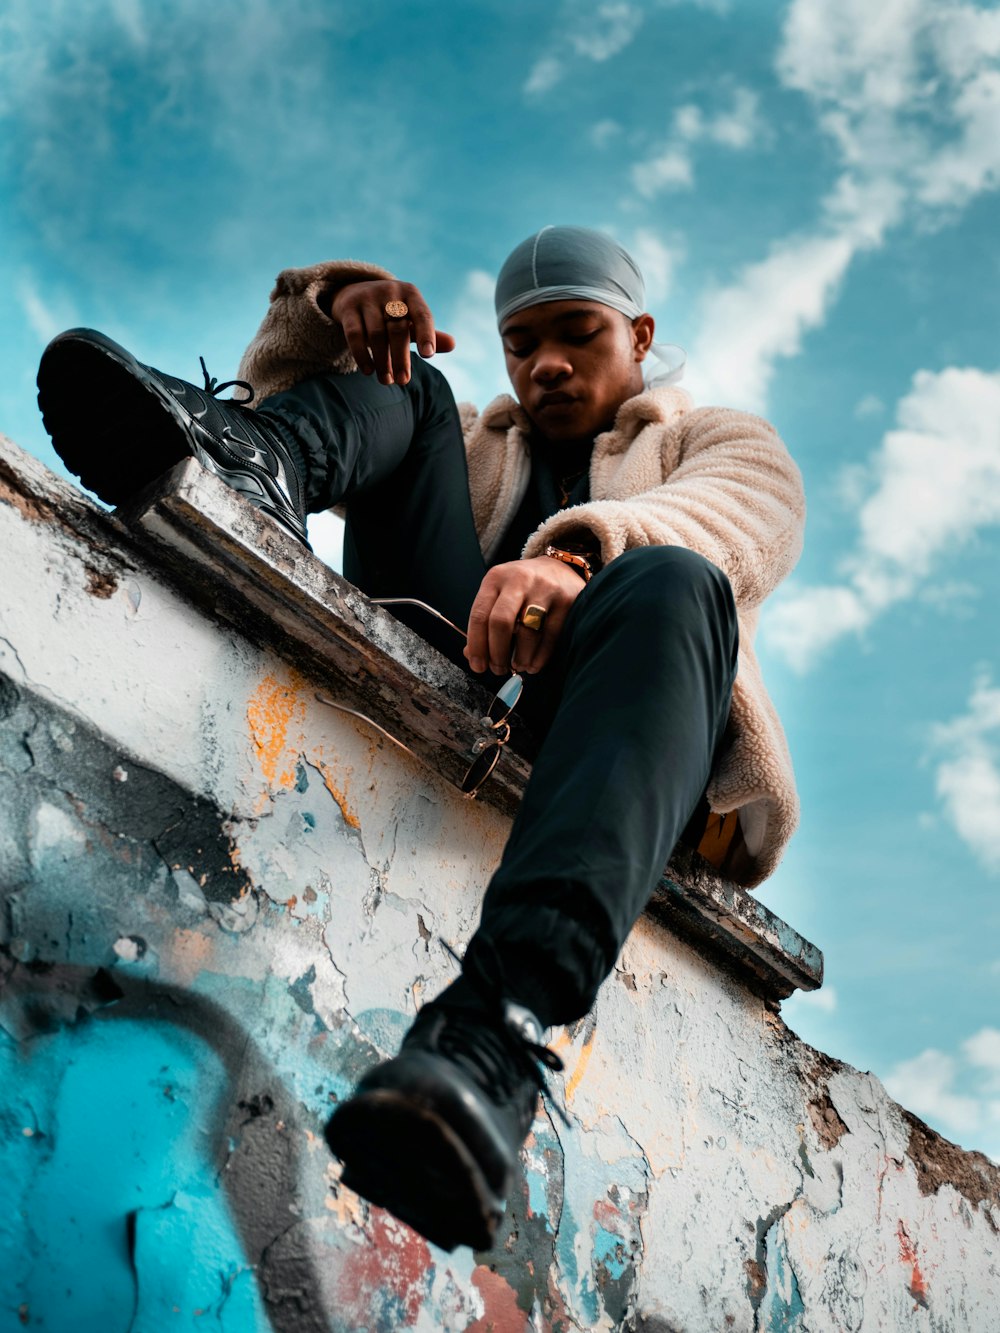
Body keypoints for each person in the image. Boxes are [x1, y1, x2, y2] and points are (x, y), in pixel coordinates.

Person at [36, 226, 805, 1253]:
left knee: (675, 581)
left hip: (621, 720)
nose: (546, 365)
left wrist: (576, 560)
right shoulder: (484, 441)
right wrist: (330, 310)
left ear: (640, 334)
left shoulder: (710, 440)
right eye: (521, 344)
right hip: (463, 652)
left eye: (577, 335)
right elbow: (290, 376)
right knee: (408, 389)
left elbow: (737, 521)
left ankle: (494, 1031)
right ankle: (253, 460)